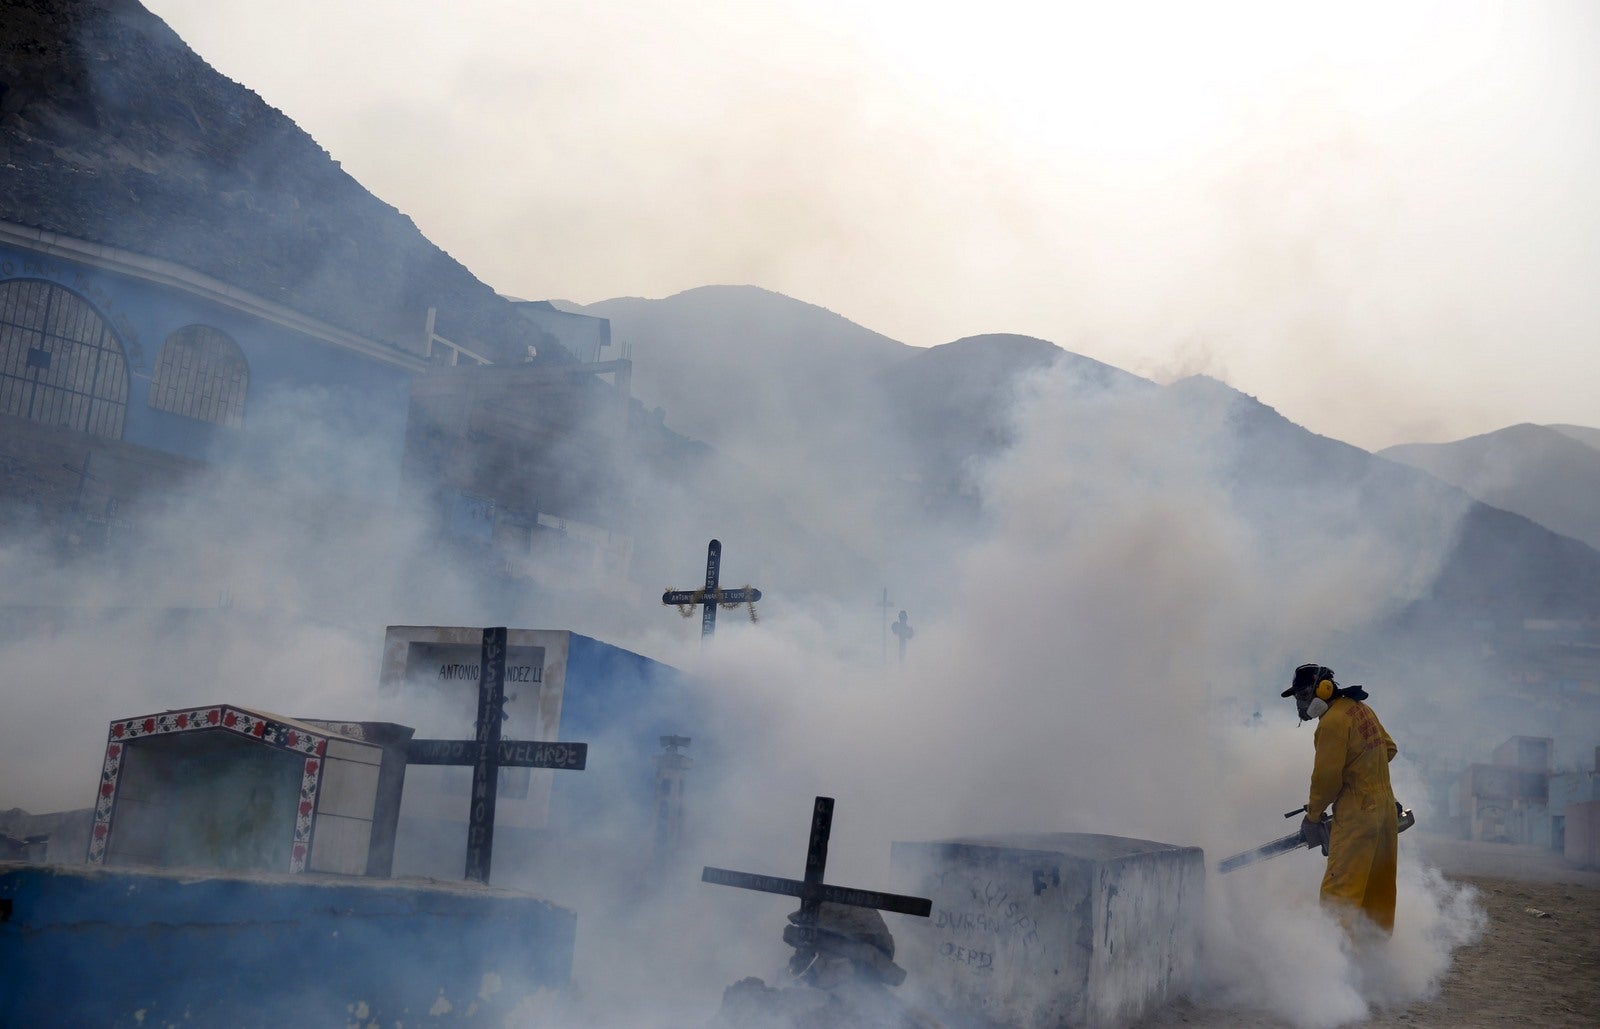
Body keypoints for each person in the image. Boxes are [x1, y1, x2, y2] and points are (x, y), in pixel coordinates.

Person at [1282, 662, 1400, 934]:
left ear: (1323, 689)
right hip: (1384, 812)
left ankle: (1333, 967)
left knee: (1340, 895)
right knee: (1375, 896)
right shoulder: (1362, 710)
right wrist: (1366, 776)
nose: (1301, 704)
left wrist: (1313, 817)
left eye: (1302, 695)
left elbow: (1326, 780)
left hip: (1357, 817)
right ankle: (1374, 962)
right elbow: (1389, 749)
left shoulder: (1332, 723)